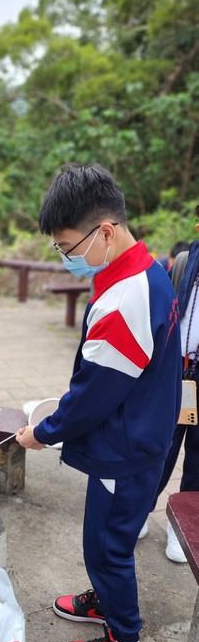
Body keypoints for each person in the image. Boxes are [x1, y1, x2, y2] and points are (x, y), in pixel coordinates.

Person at [16, 164, 182, 642]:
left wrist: (43, 433)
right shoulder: (146, 269)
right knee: (109, 534)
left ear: (105, 232)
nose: (65, 258)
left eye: (68, 247)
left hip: (125, 448)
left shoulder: (126, 298)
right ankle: (106, 600)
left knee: (108, 545)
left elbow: (93, 396)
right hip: (140, 433)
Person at [140, 207, 199, 560]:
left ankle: (183, 528)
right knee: (161, 443)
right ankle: (141, 510)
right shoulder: (187, 260)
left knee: (198, 459)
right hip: (179, 368)